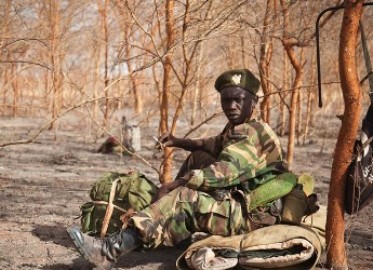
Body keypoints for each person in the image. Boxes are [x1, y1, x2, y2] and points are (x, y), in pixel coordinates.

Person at [67, 68, 287, 270]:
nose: (231, 106)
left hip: (253, 215)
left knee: (183, 197)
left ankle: (107, 252)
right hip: (245, 202)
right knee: (198, 157)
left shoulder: (252, 134)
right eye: (226, 100)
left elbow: (222, 172)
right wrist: (178, 141)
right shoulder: (239, 126)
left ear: (254, 101)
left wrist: (176, 185)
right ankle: (174, 233)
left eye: (238, 99)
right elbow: (211, 144)